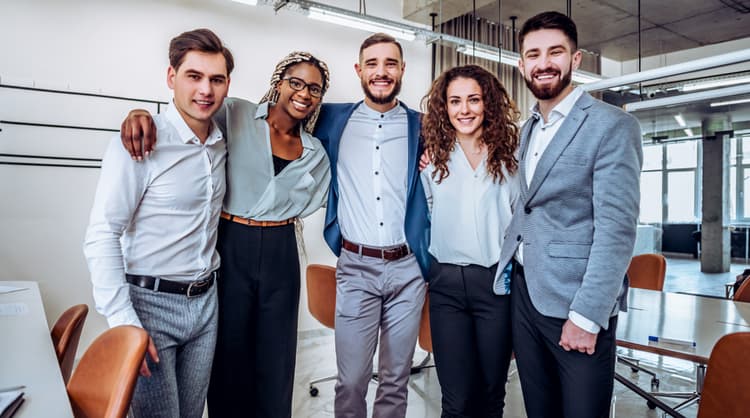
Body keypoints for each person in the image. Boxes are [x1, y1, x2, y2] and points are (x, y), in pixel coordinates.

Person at [119, 51, 332, 418]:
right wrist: (140, 114)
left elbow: (311, 202)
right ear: (279, 82)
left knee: (277, 357)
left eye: (314, 88)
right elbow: (184, 121)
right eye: (296, 82)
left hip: (281, 251)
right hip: (231, 242)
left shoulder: (316, 154)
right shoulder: (235, 113)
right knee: (227, 353)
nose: (304, 93)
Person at [493, 11, 643, 418]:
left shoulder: (612, 126)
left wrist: (587, 316)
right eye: (533, 54)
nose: (544, 63)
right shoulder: (530, 129)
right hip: (525, 295)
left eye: (555, 52)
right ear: (521, 65)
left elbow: (616, 231)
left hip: (576, 304)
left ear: (575, 60)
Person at [84, 28, 233, 418]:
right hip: (148, 304)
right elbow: (102, 234)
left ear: (227, 84)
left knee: (190, 413)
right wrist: (124, 322)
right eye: (194, 76)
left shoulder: (221, 141)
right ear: (171, 78)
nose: (206, 90)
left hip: (205, 304)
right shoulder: (141, 141)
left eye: (216, 79)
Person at [312, 33, 430, 418]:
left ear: (402, 70)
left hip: (408, 270)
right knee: (351, 380)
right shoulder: (331, 119)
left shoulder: (424, 126)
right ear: (359, 70)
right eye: (373, 64)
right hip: (356, 267)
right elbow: (270, 114)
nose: (382, 72)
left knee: (396, 378)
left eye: (390, 63)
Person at [420, 64, 520, 417]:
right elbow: (428, 215)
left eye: (473, 100)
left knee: (491, 394)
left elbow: (520, 223)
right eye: (455, 101)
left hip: (495, 286)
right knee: (457, 399)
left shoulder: (512, 159)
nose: (464, 110)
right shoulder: (433, 161)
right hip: (446, 285)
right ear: (444, 108)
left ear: (488, 104)